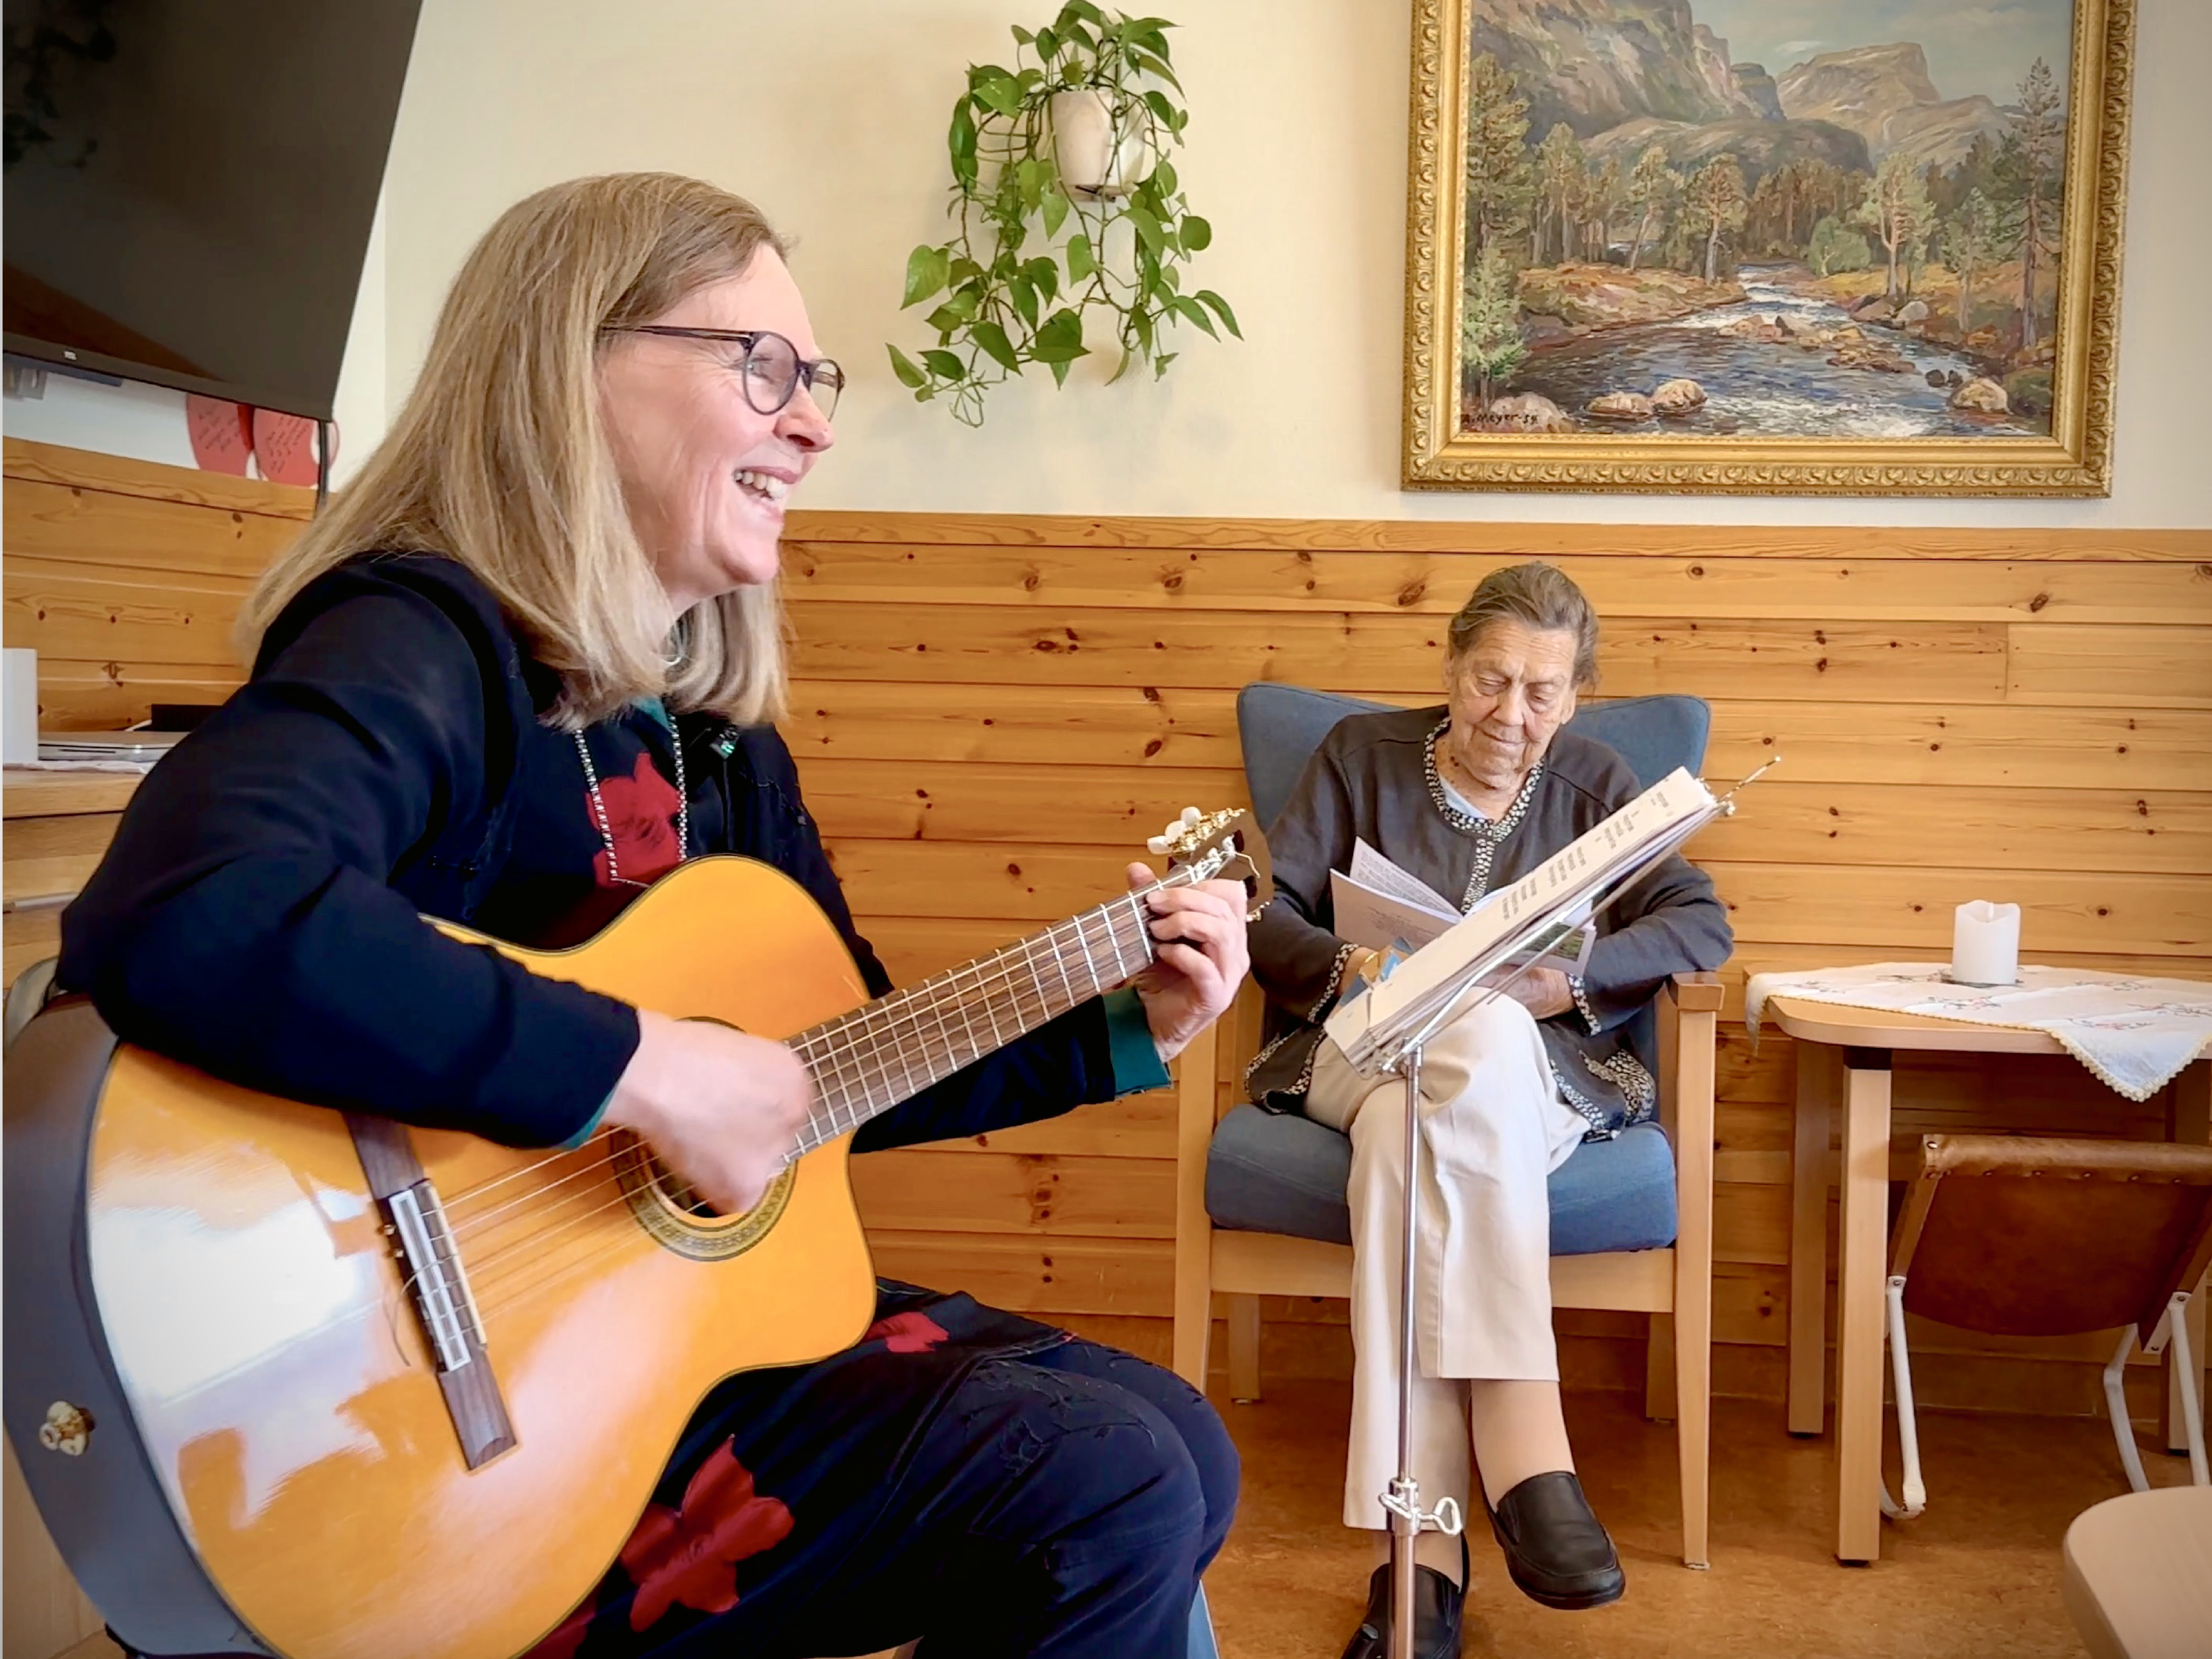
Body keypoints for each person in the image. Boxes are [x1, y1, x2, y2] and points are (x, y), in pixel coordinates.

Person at [59, 172, 1249, 1659]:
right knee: (1112, 1481)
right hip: (435, 1426)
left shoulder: (721, 741)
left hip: (643, 1358)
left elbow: (823, 1080)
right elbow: (187, 906)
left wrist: (1119, 1025)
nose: (813, 421)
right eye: (763, 366)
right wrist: (646, 1064)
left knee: (1182, 1445)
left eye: (813, 379)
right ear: (573, 364)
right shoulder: (425, 640)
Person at [1244, 562, 1732, 1659]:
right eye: (1490, 681)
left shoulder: (1601, 787)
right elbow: (1265, 911)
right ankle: (1529, 1448)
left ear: (1576, 696)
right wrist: (1352, 959)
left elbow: (1701, 924)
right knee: (1440, 1063)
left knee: (1447, 1089)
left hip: (1528, 1082)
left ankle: (1419, 1562)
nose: (1512, 717)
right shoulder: (1361, 757)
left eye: (1543, 693)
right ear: (1451, 665)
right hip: (1360, 1047)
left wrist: (1569, 979)